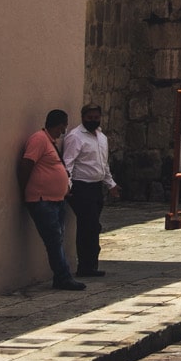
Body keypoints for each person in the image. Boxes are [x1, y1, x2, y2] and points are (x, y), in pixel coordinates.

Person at [18, 110, 84, 292]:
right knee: (53, 240)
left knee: (57, 238)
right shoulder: (39, 139)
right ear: (60, 125)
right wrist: (25, 191)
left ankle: (61, 276)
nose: (64, 131)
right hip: (42, 199)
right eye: (64, 126)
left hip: (55, 199)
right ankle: (63, 277)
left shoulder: (50, 142)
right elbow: (26, 165)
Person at [62, 104, 119, 279]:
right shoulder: (75, 137)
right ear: (83, 117)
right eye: (90, 118)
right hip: (81, 187)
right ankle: (85, 266)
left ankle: (91, 264)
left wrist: (111, 184)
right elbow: (68, 164)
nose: (93, 121)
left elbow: (103, 164)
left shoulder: (101, 137)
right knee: (88, 225)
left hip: (96, 187)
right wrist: (67, 185)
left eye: (96, 118)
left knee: (93, 227)